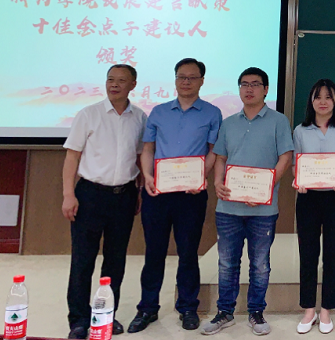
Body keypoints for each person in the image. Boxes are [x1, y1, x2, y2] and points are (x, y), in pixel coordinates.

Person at [128, 58, 222, 333]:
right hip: (158, 191)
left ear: (201, 81)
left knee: (188, 252)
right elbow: (148, 148)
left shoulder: (212, 113)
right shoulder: (158, 112)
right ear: (175, 79)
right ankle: (147, 308)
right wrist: (147, 176)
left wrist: (201, 176)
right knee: (154, 252)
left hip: (191, 194)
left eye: (192, 77)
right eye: (181, 77)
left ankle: (188, 307)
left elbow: (213, 151)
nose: (186, 82)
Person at [202, 67, 293, 336]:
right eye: (244, 84)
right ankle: (225, 312)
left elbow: (285, 157)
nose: (249, 89)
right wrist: (217, 182)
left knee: (260, 264)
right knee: (227, 263)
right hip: (228, 207)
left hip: (263, 208)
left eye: (255, 84)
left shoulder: (278, 121)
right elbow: (221, 157)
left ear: (266, 89)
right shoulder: (229, 122)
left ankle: (256, 312)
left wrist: (266, 186)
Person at [61, 64, 147, 339]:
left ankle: (106, 315)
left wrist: (139, 192)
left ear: (133, 85)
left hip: (124, 196)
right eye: (110, 79)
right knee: (83, 260)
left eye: (121, 80)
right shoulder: (89, 114)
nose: (114, 85)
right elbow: (72, 157)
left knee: (115, 261)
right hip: (90, 195)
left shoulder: (140, 117)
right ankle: (78, 320)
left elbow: (139, 158)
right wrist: (68, 194)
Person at [292, 79, 335, 334]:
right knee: (308, 254)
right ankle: (309, 309)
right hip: (308, 198)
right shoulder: (300, 130)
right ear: (311, 101)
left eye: (328, 97)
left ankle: (327, 309)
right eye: (318, 97)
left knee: (333, 254)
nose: (322, 102)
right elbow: (297, 165)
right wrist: (299, 181)